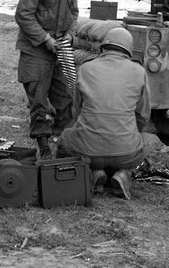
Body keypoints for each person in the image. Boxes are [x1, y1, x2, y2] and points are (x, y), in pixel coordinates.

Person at [57, 27, 152, 199]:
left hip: (88, 152)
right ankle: (123, 173)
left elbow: (75, 112)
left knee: (65, 136)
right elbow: (144, 116)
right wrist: (129, 133)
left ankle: (95, 171)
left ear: (103, 46)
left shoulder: (86, 69)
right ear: (128, 50)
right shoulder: (139, 72)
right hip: (126, 154)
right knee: (152, 140)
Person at [15, 0, 87, 158]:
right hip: (36, 50)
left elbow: (74, 13)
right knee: (39, 100)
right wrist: (46, 40)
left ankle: (64, 145)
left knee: (66, 97)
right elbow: (23, 15)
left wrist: (69, 34)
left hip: (61, 50)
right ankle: (43, 145)